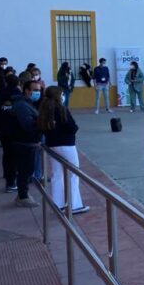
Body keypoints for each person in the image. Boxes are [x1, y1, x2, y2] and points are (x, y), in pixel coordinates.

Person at [38, 86, 89, 214]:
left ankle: (58, 204)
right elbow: (72, 127)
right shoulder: (61, 109)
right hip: (67, 145)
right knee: (73, 174)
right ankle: (74, 205)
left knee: (57, 174)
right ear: (58, 96)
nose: (63, 96)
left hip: (52, 145)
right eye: (61, 94)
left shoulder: (44, 110)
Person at [6, 79, 42, 207]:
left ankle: (23, 194)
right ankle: (23, 196)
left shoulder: (28, 103)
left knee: (26, 170)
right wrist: (41, 125)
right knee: (25, 171)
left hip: (27, 142)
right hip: (24, 143)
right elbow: (28, 125)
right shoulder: (22, 105)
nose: (38, 93)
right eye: (35, 90)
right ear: (27, 90)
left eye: (39, 90)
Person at [0, 74, 22, 193]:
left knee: (7, 154)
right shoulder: (18, 95)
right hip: (15, 130)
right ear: (18, 83)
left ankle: (8, 178)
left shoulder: (1, 93)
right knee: (15, 156)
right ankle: (12, 181)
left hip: (3, 129)